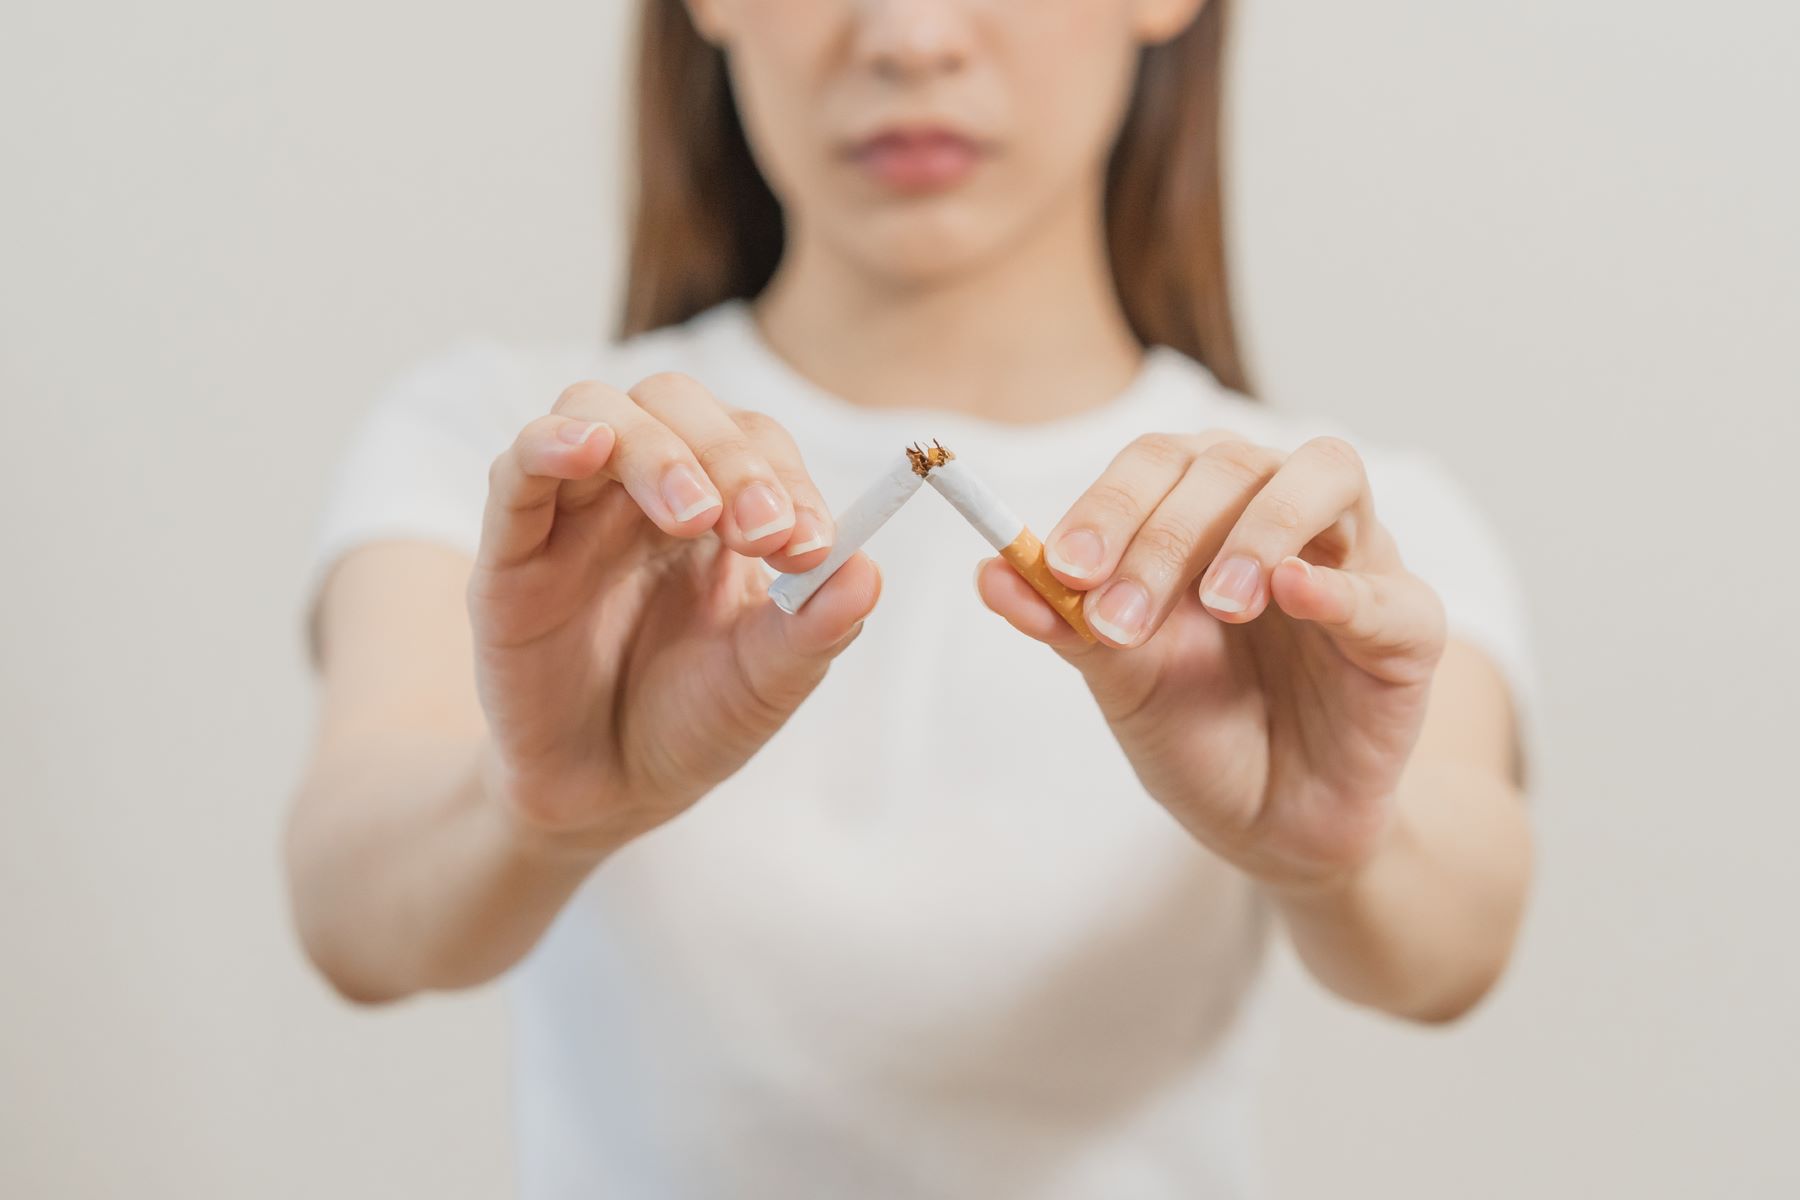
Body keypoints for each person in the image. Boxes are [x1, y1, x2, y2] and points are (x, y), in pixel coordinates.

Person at [286, 0, 1535, 1194]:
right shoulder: (532, 462)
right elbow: (351, 905)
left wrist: (1336, 854)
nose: (911, 36)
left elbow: (1459, 939)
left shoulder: (1328, 534)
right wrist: (534, 815)